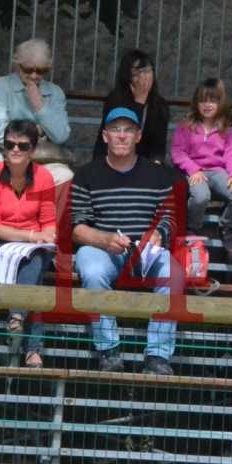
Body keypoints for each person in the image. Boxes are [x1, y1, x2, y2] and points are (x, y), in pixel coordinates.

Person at [70, 107, 179, 376]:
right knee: (92, 271)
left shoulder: (159, 175)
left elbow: (170, 218)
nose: (121, 136)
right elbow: (76, 228)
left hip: (146, 251)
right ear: (105, 136)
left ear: (138, 136)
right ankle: (108, 351)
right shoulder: (86, 174)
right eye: (115, 130)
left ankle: (158, 356)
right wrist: (104, 239)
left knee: (173, 273)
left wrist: (157, 235)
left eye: (128, 130)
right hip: (101, 248)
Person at [0, 120, 58, 368]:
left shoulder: (43, 177)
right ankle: (33, 348)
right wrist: (33, 237)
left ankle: (16, 316)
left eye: (22, 146)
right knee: (35, 272)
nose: (15, 150)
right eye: (10, 144)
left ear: (32, 150)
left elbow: (48, 221)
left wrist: (45, 237)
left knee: (34, 260)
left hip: (31, 249)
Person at [171, 77, 232, 258]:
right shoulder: (185, 128)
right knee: (200, 196)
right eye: (203, 100)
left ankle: (228, 228)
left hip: (218, 172)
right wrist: (193, 169)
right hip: (194, 171)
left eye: (212, 100)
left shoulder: (226, 131)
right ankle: (192, 227)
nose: (207, 105)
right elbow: (178, 153)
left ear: (220, 103)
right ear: (196, 103)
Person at [0, 38, 72, 183]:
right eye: (28, 70)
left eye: (41, 71)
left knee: (64, 176)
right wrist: (37, 131)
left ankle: (47, 207)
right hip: (4, 153)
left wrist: (40, 107)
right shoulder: (0, 87)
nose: (34, 76)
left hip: (45, 157)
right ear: (17, 66)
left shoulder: (55, 92)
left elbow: (61, 136)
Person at [94, 49, 169, 162]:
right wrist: (139, 103)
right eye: (137, 73)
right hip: (114, 159)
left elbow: (158, 146)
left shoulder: (160, 105)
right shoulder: (115, 99)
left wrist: (156, 165)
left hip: (144, 165)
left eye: (147, 71)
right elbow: (122, 137)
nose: (143, 77)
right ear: (127, 77)